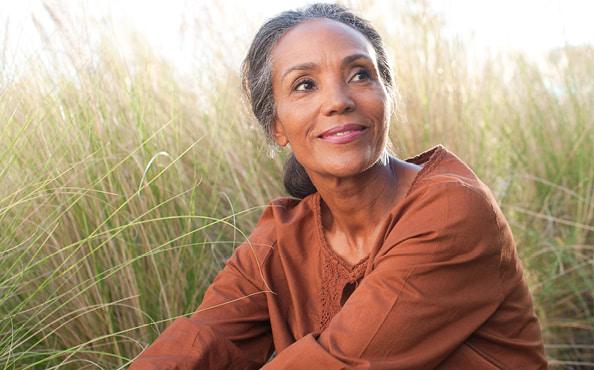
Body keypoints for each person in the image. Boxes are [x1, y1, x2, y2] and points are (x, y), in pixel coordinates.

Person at [130, 3, 547, 369]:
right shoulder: (280, 239)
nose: (338, 101)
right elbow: (203, 341)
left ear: (386, 96)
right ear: (277, 126)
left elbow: (343, 360)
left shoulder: (449, 210)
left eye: (360, 75)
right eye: (305, 85)